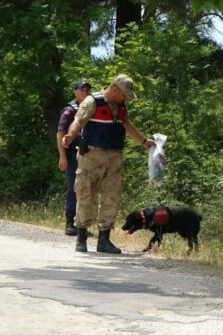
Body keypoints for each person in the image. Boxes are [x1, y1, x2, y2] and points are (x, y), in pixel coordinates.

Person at [62, 74, 155, 253]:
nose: (125, 98)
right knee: (85, 194)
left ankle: (104, 240)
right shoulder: (92, 102)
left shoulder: (120, 106)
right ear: (114, 90)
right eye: (124, 95)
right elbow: (78, 121)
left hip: (114, 155)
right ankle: (81, 238)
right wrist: (70, 135)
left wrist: (144, 141)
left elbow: (127, 125)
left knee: (111, 196)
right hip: (92, 155)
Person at [56, 79, 92, 236]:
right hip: (71, 155)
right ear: (75, 91)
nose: (84, 92)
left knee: (86, 189)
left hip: (87, 155)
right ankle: (70, 223)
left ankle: (82, 225)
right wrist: (62, 156)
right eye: (81, 90)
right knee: (73, 189)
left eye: (87, 90)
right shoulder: (70, 110)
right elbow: (60, 133)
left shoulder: (91, 108)